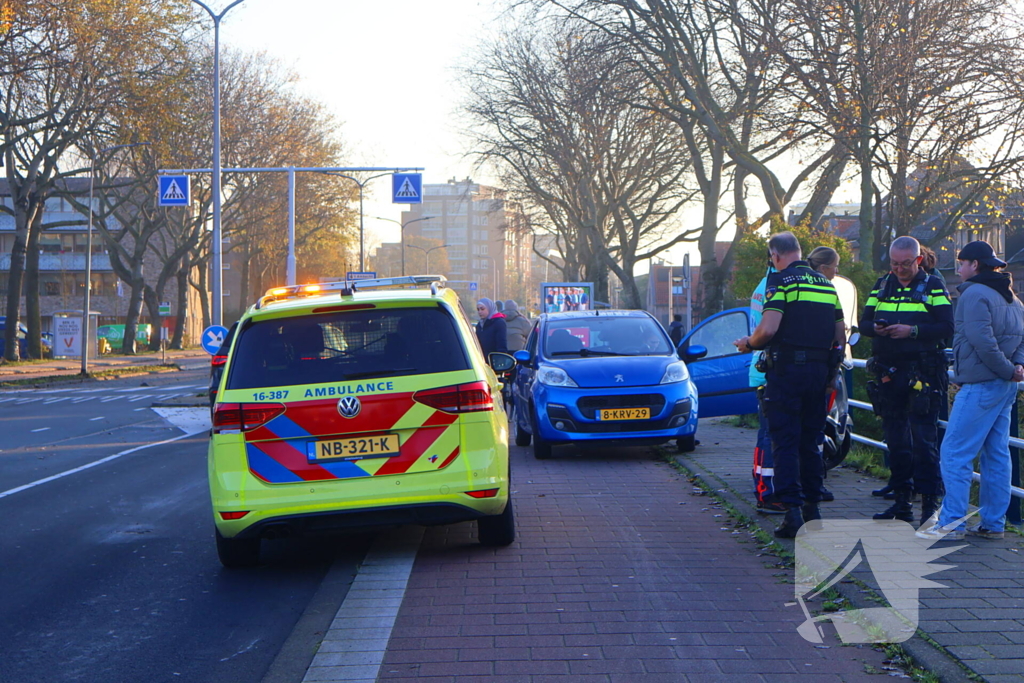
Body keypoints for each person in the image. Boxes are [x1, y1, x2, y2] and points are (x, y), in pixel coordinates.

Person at [734, 232, 846, 538]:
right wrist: (829, 373)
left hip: (786, 373)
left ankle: (793, 514)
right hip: (818, 374)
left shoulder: (780, 282)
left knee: (784, 442)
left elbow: (768, 329)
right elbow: (840, 336)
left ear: (775, 255)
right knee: (810, 443)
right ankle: (814, 509)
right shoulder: (826, 285)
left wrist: (748, 343)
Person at [917, 241, 1024, 540]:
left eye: (961, 263)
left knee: (953, 452)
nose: (958, 269)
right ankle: (993, 522)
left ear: (975, 265)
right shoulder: (1014, 300)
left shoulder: (974, 294)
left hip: (980, 384)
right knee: (997, 454)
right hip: (1005, 387)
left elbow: (980, 339)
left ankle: (951, 524)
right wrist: (1017, 368)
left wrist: (1005, 369)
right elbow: (1022, 339)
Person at [859, 236, 953, 526]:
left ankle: (929, 506)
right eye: (894, 263)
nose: (899, 269)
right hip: (888, 372)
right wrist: (875, 329)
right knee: (896, 440)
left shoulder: (933, 285)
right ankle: (901, 503)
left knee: (924, 442)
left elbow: (947, 327)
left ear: (918, 260)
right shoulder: (881, 284)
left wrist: (912, 331)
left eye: (905, 264)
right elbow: (863, 323)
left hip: (922, 373)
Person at [748, 258, 784, 514]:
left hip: (760, 366)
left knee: (766, 434)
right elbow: (770, 329)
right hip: (770, 367)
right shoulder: (776, 285)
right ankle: (768, 492)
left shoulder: (764, 284)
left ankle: (763, 486)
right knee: (771, 434)